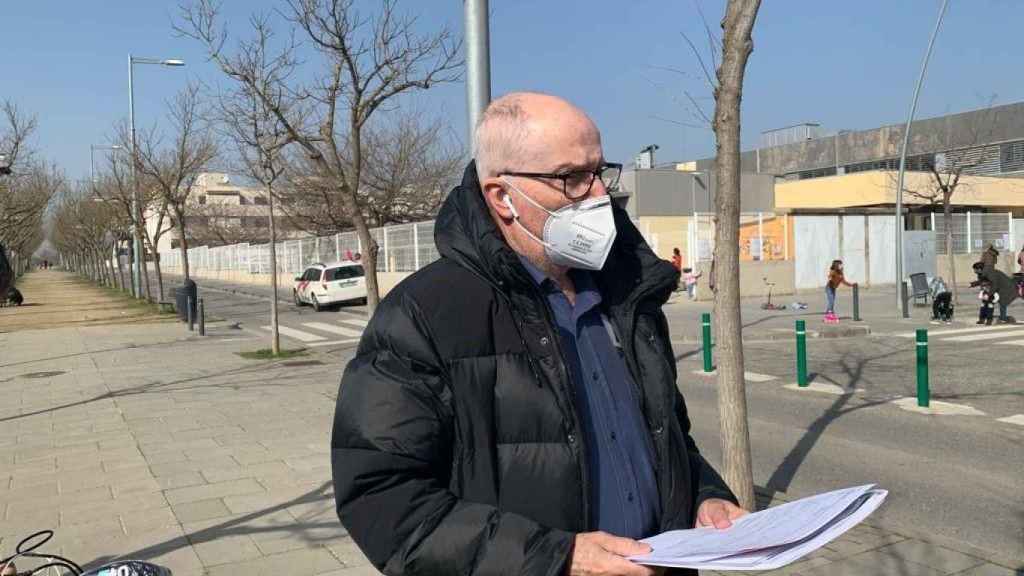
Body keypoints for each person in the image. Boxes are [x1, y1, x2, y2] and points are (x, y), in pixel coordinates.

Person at [332, 92, 743, 576]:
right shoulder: (423, 316)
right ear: (502, 197)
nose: (598, 196)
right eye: (571, 178)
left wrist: (704, 496)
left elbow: (668, 436)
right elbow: (384, 497)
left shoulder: (628, 294)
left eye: (600, 172)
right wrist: (558, 559)